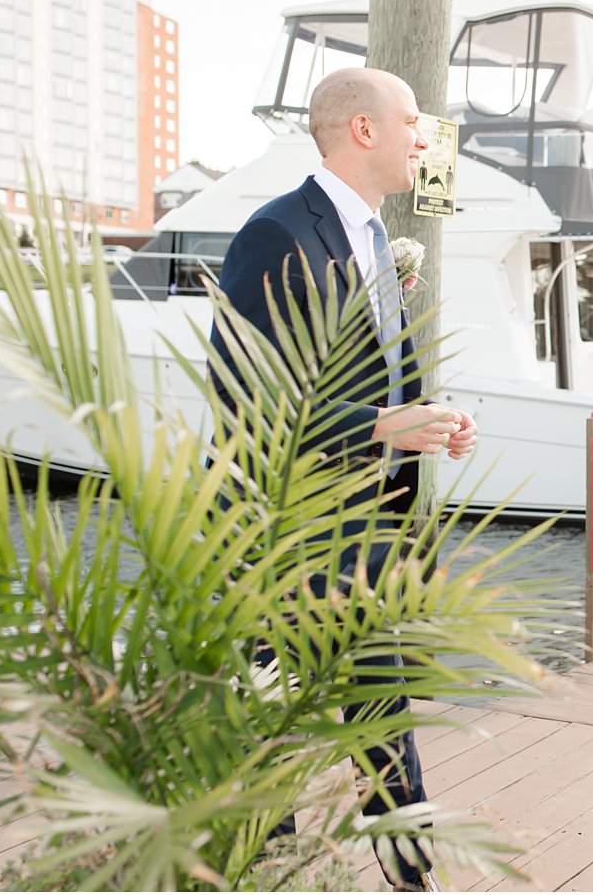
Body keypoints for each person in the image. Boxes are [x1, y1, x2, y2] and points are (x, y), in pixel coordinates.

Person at [208, 67, 476, 891]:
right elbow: (244, 393)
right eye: (410, 122)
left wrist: (424, 419)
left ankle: (409, 878)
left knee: (379, 711)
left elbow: (363, 379)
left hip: (367, 527)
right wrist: (379, 426)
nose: (423, 139)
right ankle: (266, 874)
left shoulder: (372, 239)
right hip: (284, 529)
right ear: (363, 130)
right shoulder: (277, 234)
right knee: (268, 726)